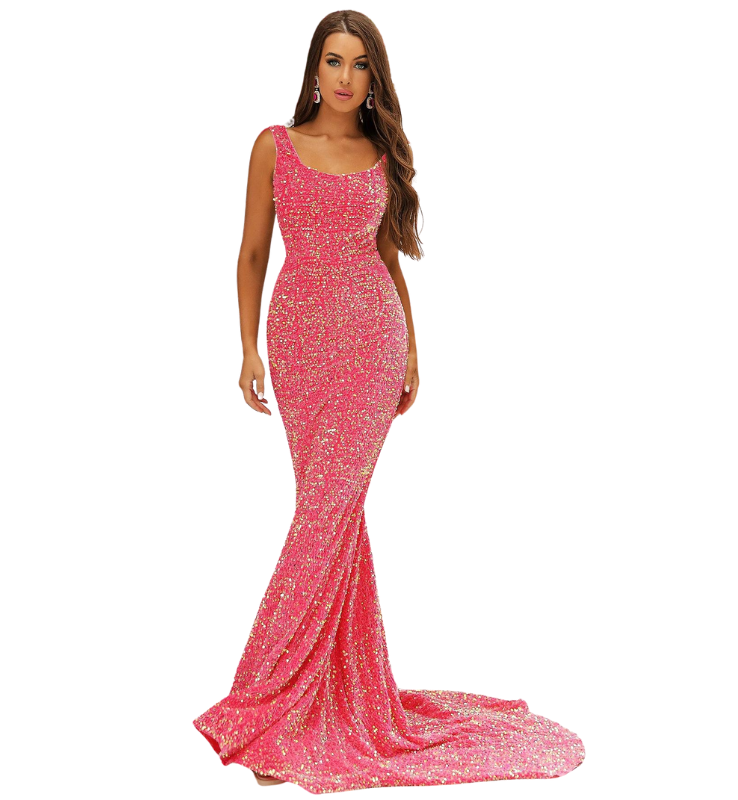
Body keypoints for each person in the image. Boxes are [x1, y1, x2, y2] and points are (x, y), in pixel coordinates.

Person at [193, 10, 585, 793]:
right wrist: (246, 347)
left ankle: (266, 707)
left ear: (374, 78)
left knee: (328, 514)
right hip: (300, 343)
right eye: (334, 61)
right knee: (327, 515)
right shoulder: (273, 146)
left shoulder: (379, 155)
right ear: (314, 70)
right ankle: (309, 703)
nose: (346, 77)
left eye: (361, 64)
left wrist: (410, 346)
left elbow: (387, 257)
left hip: (372, 342)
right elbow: (252, 251)